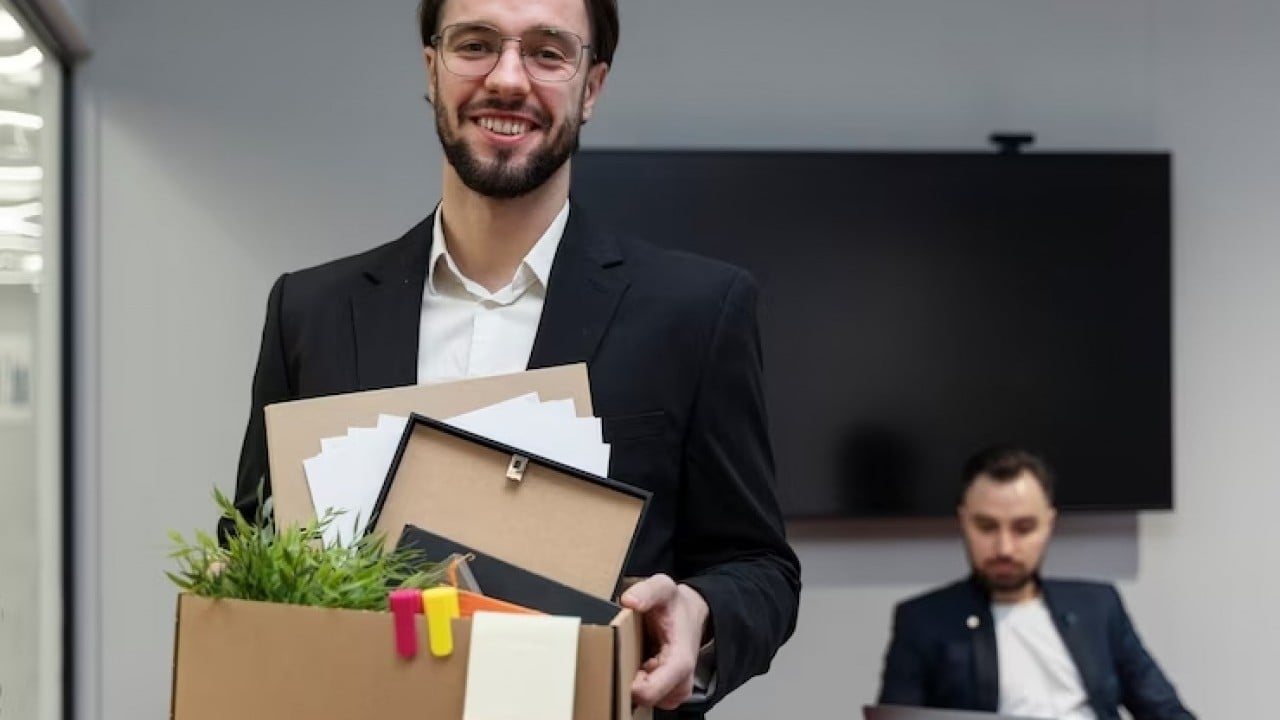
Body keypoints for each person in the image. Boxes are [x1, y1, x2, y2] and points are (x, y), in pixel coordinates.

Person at [223, 0, 801, 716]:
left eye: (548, 52)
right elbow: (251, 544)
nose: (507, 78)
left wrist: (697, 613)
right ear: (431, 69)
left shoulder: (696, 309)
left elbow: (759, 567)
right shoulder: (307, 311)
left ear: (591, 86)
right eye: (475, 44)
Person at [876, 446, 1194, 720]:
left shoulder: (1098, 606)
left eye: (1023, 528)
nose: (1004, 548)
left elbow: (1165, 711)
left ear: (1049, 524)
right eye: (986, 527)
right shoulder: (923, 621)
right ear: (964, 522)